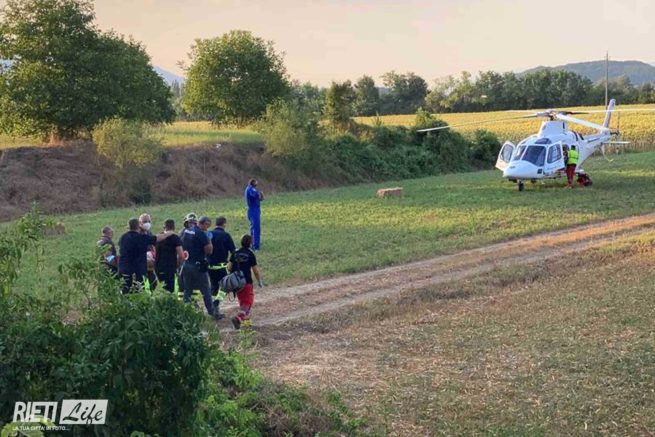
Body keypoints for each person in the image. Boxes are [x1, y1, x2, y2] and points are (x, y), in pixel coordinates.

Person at [118, 218, 175, 294]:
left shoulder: (123, 237)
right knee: (137, 292)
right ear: (138, 226)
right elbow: (157, 238)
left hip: (123, 268)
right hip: (136, 270)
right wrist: (169, 233)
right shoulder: (141, 238)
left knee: (125, 291)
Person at [180, 214, 218, 319]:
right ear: (203, 224)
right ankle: (212, 312)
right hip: (198, 266)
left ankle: (185, 313)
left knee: (188, 290)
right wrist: (209, 239)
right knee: (206, 290)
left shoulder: (185, 231)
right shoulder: (201, 233)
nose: (207, 228)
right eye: (207, 226)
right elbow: (209, 250)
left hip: (186, 264)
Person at [229, 234, 265, 330]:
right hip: (246, 281)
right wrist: (260, 281)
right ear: (250, 243)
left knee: (242, 301)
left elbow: (229, 267)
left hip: (236, 282)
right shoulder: (250, 254)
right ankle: (238, 318)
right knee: (248, 302)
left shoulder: (235, 253)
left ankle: (246, 322)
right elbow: (255, 271)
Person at [208, 216, 236, 316]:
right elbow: (233, 251)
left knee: (213, 287)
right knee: (225, 287)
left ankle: (214, 310)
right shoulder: (226, 235)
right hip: (221, 267)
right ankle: (216, 304)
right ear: (224, 223)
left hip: (209, 267)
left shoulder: (209, 234)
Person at [155, 219, 184, 293]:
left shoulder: (159, 237)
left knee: (162, 288)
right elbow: (181, 255)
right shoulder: (175, 238)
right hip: (170, 268)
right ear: (174, 227)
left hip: (158, 267)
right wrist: (179, 264)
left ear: (164, 227)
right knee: (170, 289)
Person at [139, 213, 158, 289]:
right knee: (141, 284)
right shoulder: (137, 234)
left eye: (149, 221)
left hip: (150, 263)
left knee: (153, 282)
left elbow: (152, 245)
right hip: (140, 264)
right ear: (140, 223)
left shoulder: (149, 233)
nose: (147, 223)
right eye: (145, 221)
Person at [244, 178, 264, 251]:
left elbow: (260, 198)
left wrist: (261, 195)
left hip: (253, 209)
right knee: (256, 228)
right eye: (256, 182)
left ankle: (252, 244)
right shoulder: (251, 189)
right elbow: (255, 195)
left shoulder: (249, 189)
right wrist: (259, 194)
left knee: (253, 228)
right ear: (253, 183)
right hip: (253, 210)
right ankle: (255, 246)